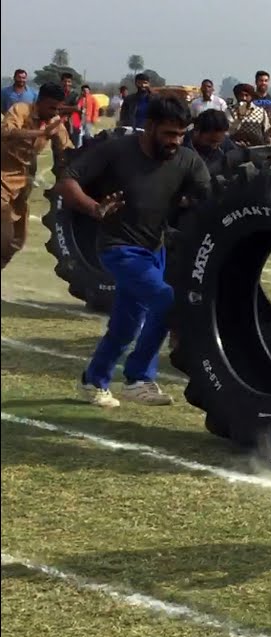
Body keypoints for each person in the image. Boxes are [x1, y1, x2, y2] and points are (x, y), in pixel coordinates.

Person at [54, 95, 212, 408]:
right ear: (149, 126)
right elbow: (67, 182)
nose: (175, 141)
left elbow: (210, 195)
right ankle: (138, 378)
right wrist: (95, 208)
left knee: (126, 325)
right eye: (169, 133)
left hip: (155, 249)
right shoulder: (117, 150)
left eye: (181, 134)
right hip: (119, 248)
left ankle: (92, 381)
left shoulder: (186, 159)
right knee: (166, 302)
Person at [1, 83, 74, 270]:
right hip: (3, 177)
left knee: (17, 241)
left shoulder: (54, 122)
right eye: (51, 107)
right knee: (4, 235)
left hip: (22, 184)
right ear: (39, 101)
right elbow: (6, 132)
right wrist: (41, 133)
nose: (54, 112)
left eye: (57, 108)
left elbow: (67, 150)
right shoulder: (21, 110)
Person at [184, 108, 238, 176]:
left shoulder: (224, 142)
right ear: (196, 131)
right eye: (211, 141)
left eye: (218, 142)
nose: (215, 147)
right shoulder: (182, 149)